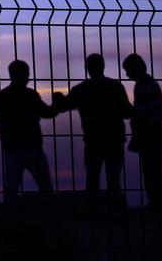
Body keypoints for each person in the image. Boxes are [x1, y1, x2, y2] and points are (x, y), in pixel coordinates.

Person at [52, 54, 133, 199]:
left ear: (87, 68)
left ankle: (94, 212)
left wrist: (58, 98)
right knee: (114, 181)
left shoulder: (81, 89)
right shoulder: (116, 86)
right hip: (114, 138)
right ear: (103, 66)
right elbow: (127, 112)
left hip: (93, 140)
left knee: (92, 179)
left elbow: (64, 106)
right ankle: (116, 214)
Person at [0, 60, 57, 201]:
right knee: (45, 186)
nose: (29, 75)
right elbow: (47, 113)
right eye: (27, 73)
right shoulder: (30, 95)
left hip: (12, 147)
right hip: (31, 146)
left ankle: (10, 218)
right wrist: (57, 104)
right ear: (21, 74)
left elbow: (4, 120)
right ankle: (51, 216)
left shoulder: (3, 96)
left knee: (11, 189)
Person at [122, 54, 162, 213]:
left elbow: (155, 109)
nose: (127, 74)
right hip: (150, 132)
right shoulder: (142, 84)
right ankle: (158, 204)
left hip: (152, 133)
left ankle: (159, 205)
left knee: (153, 171)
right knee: (151, 171)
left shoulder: (147, 85)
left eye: (128, 70)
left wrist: (135, 111)